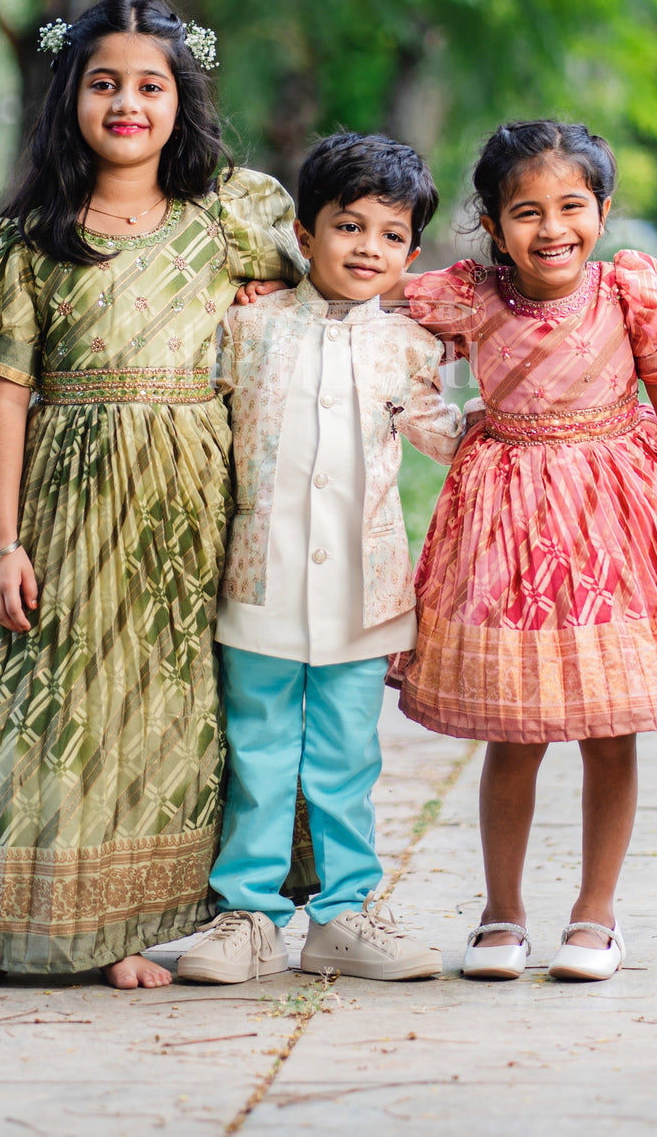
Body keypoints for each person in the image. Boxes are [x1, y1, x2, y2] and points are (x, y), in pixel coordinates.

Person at [0, 0, 306, 992]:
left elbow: (326, 280)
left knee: (159, 707)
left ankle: (124, 927)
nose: (127, 103)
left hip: (188, 501)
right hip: (64, 500)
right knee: (24, 698)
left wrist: (274, 293)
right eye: (105, 82)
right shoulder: (33, 239)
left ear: (179, 100)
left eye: (150, 86)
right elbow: (5, 402)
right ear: (70, 94)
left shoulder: (227, 217)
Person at [400, 120, 657, 983]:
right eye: (525, 211)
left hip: (617, 528)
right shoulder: (473, 297)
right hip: (507, 528)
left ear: (602, 210)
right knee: (511, 731)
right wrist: (275, 281)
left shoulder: (629, 293)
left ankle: (596, 914)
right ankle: (502, 912)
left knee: (611, 728)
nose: (551, 229)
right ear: (490, 221)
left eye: (571, 206)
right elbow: (366, 292)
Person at [176, 132, 465, 985]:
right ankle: (249, 917)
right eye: (348, 226)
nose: (367, 248)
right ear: (305, 235)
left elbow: (442, 438)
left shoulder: (412, 347)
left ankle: (344, 915)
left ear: (412, 253)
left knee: (345, 761)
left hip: (363, 594)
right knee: (259, 755)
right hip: (256, 583)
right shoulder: (246, 328)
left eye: (390, 234)